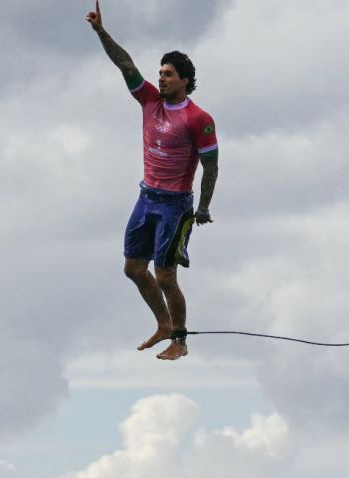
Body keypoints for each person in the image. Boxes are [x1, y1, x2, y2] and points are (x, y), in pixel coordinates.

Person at [86, 0, 219, 361]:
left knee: (165, 275)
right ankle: (162, 323)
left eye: (168, 74)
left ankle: (180, 339)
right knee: (133, 268)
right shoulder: (149, 101)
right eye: (160, 73)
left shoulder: (198, 118)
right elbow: (125, 64)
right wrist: (101, 32)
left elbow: (211, 166)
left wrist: (204, 207)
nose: (161, 78)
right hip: (146, 198)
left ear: (185, 81)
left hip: (175, 205)